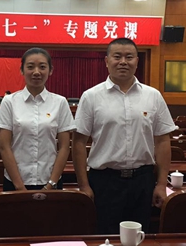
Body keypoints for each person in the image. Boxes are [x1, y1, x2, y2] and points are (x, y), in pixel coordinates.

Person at [73, 37, 175, 235]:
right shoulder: (91, 96)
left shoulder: (153, 96)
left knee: (139, 239)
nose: (123, 62)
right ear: (106, 61)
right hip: (104, 181)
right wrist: (84, 185)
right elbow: (78, 142)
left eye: (129, 57)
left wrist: (162, 184)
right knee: (105, 239)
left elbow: (163, 140)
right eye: (117, 56)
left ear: (137, 61)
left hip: (143, 181)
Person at [0, 48, 75, 191]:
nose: (36, 72)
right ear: (22, 70)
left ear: (50, 70)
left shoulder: (60, 102)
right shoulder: (9, 102)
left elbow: (64, 147)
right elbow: (4, 146)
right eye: (30, 67)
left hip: (50, 181)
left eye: (42, 67)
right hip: (15, 182)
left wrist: (51, 184)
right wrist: (19, 186)